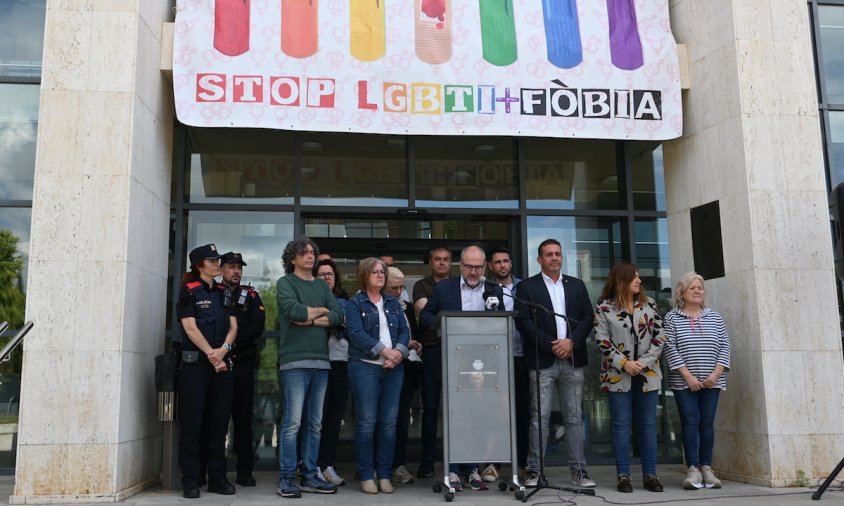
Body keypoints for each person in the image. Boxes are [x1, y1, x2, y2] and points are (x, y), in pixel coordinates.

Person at [419, 245, 506, 491]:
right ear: (460, 266)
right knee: (455, 416)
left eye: (478, 267)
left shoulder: (493, 289)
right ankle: (453, 470)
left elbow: (502, 322)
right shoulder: (444, 288)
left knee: (475, 415)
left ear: (485, 267)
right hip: (451, 359)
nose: (473, 271)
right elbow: (425, 317)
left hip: (481, 363)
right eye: (468, 266)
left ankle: (471, 468)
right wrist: (444, 321)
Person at [514, 239, 596, 490]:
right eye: (548, 254)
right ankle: (535, 470)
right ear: (539, 259)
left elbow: (587, 317)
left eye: (558, 254)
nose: (554, 258)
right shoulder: (528, 287)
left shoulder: (577, 285)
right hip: (543, 360)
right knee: (540, 417)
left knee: (573, 417)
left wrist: (571, 342)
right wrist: (551, 344)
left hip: (572, 359)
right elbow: (524, 323)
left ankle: (578, 470)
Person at [275, 236, 344, 498]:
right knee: (292, 423)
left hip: (321, 363)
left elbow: (338, 314)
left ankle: (309, 476)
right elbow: (293, 312)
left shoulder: (321, 286)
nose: (310, 256)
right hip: (294, 362)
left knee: (315, 424)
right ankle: (286, 477)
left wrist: (311, 317)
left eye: (311, 252)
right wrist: (319, 312)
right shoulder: (285, 283)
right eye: (303, 253)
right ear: (292, 258)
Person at [594, 261, 665, 493]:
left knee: (647, 425)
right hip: (617, 375)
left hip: (648, 374)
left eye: (639, 277)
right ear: (621, 280)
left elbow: (659, 337)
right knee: (621, 426)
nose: (639, 281)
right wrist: (624, 363)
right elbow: (602, 341)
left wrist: (642, 363)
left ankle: (650, 475)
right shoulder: (605, 308)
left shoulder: (649, 304)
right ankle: (623, 475)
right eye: (634, 277)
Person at [176, 244, 238, 499]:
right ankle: (190, 480)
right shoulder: (188, 291)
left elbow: (233, 326)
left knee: (218, 425)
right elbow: (190, 329)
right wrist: (212, 355)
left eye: (217, 261)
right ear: (200, 265)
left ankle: (217, 478)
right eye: (213, 261)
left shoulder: (225, 291)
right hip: (196, 369)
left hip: (222, 365)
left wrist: (222, 349)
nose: (217, 264)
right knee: (192, 426)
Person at [345, 258, 411, 494]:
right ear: (364, 275)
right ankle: (366, 474)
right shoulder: (354, 304)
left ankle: (384, 474)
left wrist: (398, 354)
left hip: (394, 368)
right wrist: (384, 351)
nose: (380, 275)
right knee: (367, 423)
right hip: (365, 367)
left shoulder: (393, 302)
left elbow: (405, 330)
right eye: (375, 272)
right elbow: (356, 334)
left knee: (389, 423)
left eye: (382, 272)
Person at [663, 272, 730, 490]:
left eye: (700, 287)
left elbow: (724, 347)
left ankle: (706, 468)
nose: (697, 291)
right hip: (684, 382)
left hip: (712, 381)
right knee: (690, 421)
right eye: (692, 287)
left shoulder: (715, 317)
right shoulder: (672, 318)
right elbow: (670, 348)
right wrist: (688, 376)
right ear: (681, 292)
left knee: (707, 423)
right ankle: (692, 470)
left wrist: (715, 375)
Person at [216, 252, 266, 487]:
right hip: (217, 364)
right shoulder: (212, 293)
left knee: (244, 418)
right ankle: (214, 470)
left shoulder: (251, 295)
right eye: (231, 267)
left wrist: (233, 343)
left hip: (243, 362)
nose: (236, 271)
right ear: (221, 269)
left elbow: (257, 326)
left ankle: (245, 471)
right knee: (217, 418)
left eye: (239, 268)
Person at [480, 246, 528, 483]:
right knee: (493, 412)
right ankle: (492, 462)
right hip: (493, 359)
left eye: (505, 261)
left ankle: (523, 463)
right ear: (490, 265)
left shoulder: (524, 287)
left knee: (522, 412)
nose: (502, 265)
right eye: (497, 262)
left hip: (521, 356)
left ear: (511, 263)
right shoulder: (483, 288)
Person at [412, 245, 452, 478]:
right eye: (437, 259)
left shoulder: (459, 283)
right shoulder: (421, 285)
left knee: (459, 409)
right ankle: (427, 460)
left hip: (459, 352)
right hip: (431, 351)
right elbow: (425, 313)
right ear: (430, 262)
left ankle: (461, 461)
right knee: (430, 408)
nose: (442, 263)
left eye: (446, 259)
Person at [384, 266, 423, 484]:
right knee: (381, 420)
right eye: (394, 288)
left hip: (407, 368)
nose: (399, 292)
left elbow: (413, 332)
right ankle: (376, 467)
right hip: (384, 367)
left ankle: (399, 465)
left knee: (401, 420)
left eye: (401, 287)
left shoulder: (406, 307)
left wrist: (416, 344)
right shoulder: (375, 305)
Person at [314, 258, 350, 487]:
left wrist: (320, 314)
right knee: (315, 420)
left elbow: (342, 317)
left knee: (333, 420)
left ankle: (327, 465)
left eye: (330, 274)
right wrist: (330, 314)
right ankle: (311, 466)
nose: (327, 277)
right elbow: (301, 317)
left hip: (341, 364)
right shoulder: (308, 298)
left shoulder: (344, 300)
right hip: (317, 364)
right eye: (321, 274)